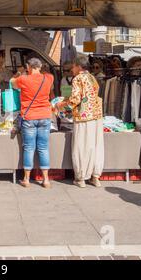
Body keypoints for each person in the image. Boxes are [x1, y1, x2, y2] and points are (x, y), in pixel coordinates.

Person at [56, 56, 104, 188]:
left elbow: (75, 99)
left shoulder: (78, 78)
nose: (71, 69)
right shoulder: (93, 78)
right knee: (95, 146)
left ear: (78, 66)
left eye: (73, 66)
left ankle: (81, 178)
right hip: (96, 116)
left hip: (83, 117)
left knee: (81, 146)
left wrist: (61, 105)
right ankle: (95, 176)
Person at [11, 58, 54, 189]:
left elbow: (12, 83)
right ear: (40, 67)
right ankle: (46, 180)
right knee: (43, 147)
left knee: (29, 148)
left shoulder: (23, 79)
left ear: (28, 67)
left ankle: (26, 179)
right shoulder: (49, 78)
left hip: (29, 117)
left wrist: (19, 73)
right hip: (45, 116)